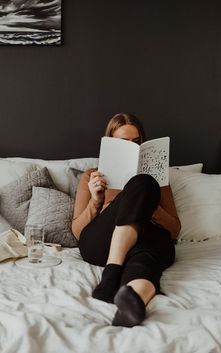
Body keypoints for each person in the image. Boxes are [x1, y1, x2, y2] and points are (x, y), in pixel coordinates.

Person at [72, 113, 181, 327]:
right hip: (102, 242)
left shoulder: (158, 179)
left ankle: (134, 302)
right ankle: (112, 271)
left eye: (137, 142)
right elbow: (77, 232)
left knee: (145, 259)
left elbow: (175, 230)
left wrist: (146, 205)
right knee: (143, 182)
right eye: (124, 143)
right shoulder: (91, 176)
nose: (133, 148)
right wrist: (96, 201)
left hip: (145, 239)